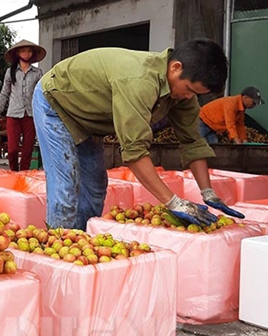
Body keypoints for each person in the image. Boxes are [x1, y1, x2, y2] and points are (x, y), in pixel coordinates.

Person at [32, 39, 245, 231]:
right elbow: (135, 152)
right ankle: (57, 247)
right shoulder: (139, 80)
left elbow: (192, 141)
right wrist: (173, 202)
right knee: (66, 187)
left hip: (88, 120)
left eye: (196, 94)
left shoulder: (182, 95)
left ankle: (80, 240)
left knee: (95, 188)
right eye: (189, 89)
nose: (189, 96)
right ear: (176, 67)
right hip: (55, 104)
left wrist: (207, 191)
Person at [0, 40, 45, 171]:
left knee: (27, 149)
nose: (26, 53)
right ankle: (14, 173)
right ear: (17, 53)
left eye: (29, 51)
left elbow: (42, 94)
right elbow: (4, 93)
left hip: (31, 115)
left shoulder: (37, 72)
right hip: (13, 114)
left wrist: (44, 114)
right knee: (13, 149)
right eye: (23, 50)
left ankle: (25, 175)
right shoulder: (11, 72)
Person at [198, 86, 265, 145]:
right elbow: (230, 123)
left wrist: (244, 141)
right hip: (202, 122)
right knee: (194, 143)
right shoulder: (232, 103)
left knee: (213, 146)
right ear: (245, 97)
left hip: (212, 127)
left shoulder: (241, 109)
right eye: (253, 103)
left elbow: (240, 125)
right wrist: (237, 141)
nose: (254, 106)